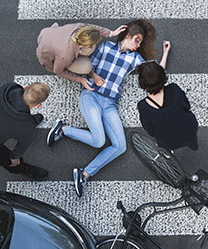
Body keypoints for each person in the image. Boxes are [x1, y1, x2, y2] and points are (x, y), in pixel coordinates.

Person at [47, 19, 157, 197]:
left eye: (140, 43)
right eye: (137, 40)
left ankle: (83, 174)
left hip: (110, 104)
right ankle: (63, 129)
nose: (138, 46)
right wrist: (94, 76)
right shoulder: (105, 47)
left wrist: (165, 52)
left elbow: (156, 72)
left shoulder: (134, 59)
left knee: (120, 146)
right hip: (91, 95)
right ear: (127, 35)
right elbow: (86, 66)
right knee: (98, 140)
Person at [137, 41, 199, 151]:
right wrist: (165, 53)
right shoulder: (174, 90)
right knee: (191, 138)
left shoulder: (143, 106)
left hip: (168, 141)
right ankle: (193, 145)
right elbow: (187, 106)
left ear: (142, 83)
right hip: (189, 129)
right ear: (163, 77)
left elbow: (150, 130)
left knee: (165, 143)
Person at [36, 22, 127, 90]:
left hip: (49, 34)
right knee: (86, 67)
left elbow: (93, 28)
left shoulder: (80, 28)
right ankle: (88, 70)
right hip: (48, 56)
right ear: (87, 44)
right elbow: (58, 70)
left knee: (90, 49)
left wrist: (111, 33)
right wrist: (80, 79)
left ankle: (80, 54)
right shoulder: (65, 56)